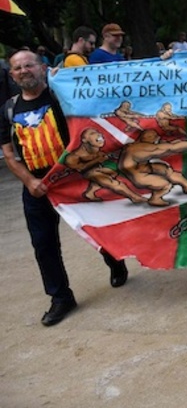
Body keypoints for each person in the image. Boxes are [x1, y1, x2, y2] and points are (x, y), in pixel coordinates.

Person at [1, 50, 128, 327]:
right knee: (43, 244)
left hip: (74, 178)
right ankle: (60, 297)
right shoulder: (8, 109)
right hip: (37, 186)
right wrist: (29, 181)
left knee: (95, 227)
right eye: (18, 68)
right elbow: (9, 154)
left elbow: (105, 97)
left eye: (29, 65)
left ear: (42, 68)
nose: (24, 71)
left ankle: (115, 261)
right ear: (12, 75)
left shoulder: (62, 96)